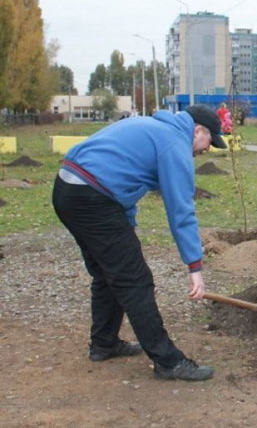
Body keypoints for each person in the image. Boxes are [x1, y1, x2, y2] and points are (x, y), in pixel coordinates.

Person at [51, 104, 224, 382]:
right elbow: (181, 210)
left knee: (108, 273)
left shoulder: (154, 128)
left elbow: (124, 181)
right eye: (209, 141)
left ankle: (104, 344)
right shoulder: (174, 144)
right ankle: (168, 362)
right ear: (197, 130)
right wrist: (195, 266)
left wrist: (126, 227)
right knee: (135, 280)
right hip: (91, 197)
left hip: (69, 190)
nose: (207, 149)